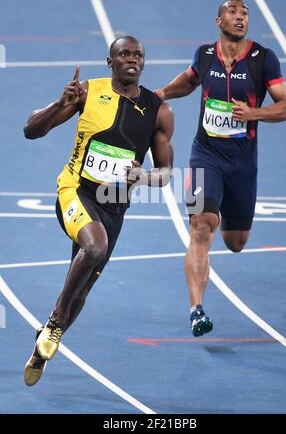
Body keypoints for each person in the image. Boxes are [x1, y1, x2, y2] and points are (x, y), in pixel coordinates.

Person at [23, 36, 174, 385]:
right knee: (94, 247)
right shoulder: (88, 92)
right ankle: (56, 320)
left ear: (143, 62)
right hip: (75, 191)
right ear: (111, 62)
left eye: (138, 54)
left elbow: (166, 172)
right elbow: (31, 130)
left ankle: (44, 342)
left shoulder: (158, 111)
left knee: (83, 290)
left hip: (114, 208)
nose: (131, 59)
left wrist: (145, 176)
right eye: (124, 53)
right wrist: (60, 103)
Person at [155, 0, 286, 337]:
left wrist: (253, 113)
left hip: (243, 164)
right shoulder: (205, 55)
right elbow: (188, 82)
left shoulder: (264, 60)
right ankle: (196, 309)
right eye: (233, 12)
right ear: (218, 20)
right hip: (207, 156)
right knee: (201, 228)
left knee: (235, 242)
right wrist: (158, 94)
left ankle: (231, 224)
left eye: (245, 13)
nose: (240, 17)